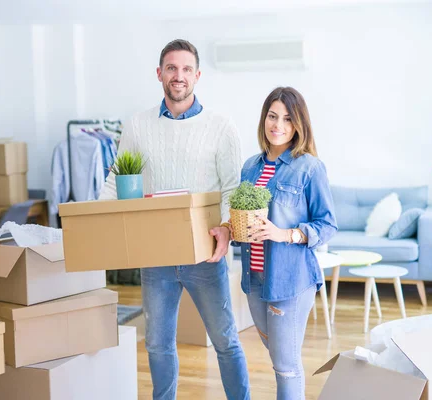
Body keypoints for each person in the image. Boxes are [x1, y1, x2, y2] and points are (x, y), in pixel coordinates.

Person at [98, 39, 250, 400]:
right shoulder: (137, 125)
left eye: (185, 69)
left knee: (225, 340)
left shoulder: (220, 125)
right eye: (171, 68)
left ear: (197, 76)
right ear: (159, 74)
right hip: (156, 256)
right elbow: (115, 180)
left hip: (206, 255)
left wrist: (227, 231)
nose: (178, 76)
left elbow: (232, 187)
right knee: (157, 344)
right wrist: (97, 221)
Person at [232, 86, 338, 399]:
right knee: (279, 355)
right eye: (273, 116)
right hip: (254, 280)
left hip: (291, 280)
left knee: (286, 364)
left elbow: (328, 224)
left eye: (288, 119)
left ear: (298, 126)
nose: (278, 125)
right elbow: (246, 215)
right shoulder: (251, 166)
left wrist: (285, 234)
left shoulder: (310, 168)